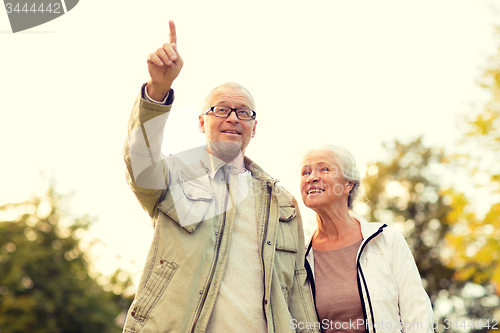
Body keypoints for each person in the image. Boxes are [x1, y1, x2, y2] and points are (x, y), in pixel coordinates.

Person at [122, 20, 320, 333]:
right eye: (221, 109)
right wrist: (157, 90)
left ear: (254, 127)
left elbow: (297, 288)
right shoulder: (175, 174)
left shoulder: (282, 203)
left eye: (244, 112)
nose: (233, 118)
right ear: (202, 122)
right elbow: (140, 162)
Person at [300, 145, 434, 333]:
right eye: (306, 172)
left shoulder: (387, 240)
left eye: (324, 169)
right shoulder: (300, 257)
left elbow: (418, 316)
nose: (311, 177)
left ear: (348, 184)